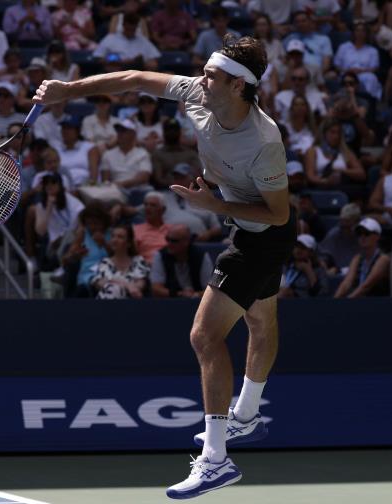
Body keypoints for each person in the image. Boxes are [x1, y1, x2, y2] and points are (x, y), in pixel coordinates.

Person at [34, 34, 293, 498]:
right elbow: (133, 79)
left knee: (204, 336)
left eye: (213, 75)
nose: (202, 78)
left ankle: (216, 461)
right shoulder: (199, 92)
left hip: (261, 237)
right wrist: (66, 91)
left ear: (239, 87)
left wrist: (213, 205)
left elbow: (279, 215)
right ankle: (247, 416)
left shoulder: (263, 141)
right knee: (260, 319)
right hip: (240, 222)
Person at [33, 173, 85, 269]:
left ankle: (62, 267)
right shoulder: (41, 206)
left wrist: (63, 237)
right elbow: (40, 231)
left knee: (70, 237)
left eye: (53, 182)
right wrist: (49, 207)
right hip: (52, 245)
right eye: (46, 183)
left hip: (72, 241)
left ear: (60, 185)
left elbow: (79, 225)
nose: (50, 186)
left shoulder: (73, 202)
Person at [60, 203, 112, 297]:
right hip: (87, 277)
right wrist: (75, 255)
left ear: (104, 221)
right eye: (89, 224)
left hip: (108, 275)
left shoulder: (112, 234)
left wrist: (104, 243)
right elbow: (65, 260)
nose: (92, 227)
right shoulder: (82, 234)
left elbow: (118, 257)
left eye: (96, 223)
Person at [150, 224, 214, 298]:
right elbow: (156, 289)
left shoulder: (201, 256)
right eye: (167, 239)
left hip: (198, 303)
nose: (169, 244)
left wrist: (195, 295)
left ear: (186, 241)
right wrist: (180, 294)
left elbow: (211, 290)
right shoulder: (160, 255)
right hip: (170, 303)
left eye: (174, 241)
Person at [162, 164, 222, 241]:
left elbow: (217, 228)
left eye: (182, 178)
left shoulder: (203, 197)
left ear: (191, 180)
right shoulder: (164, 198)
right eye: (176, 178)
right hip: (168, 240)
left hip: (197, 241)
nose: (178, 181)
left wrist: (207, 234)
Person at [333, 217, 389, 298]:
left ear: (377, 236)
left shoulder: (383, 259)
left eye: (367, 233)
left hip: (378, 305)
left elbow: (366, 286)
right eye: (359, 234)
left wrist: (347, 302)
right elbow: (346, 284)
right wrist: (334, 302)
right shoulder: (357, 258)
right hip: (359, 303)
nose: (362, 237)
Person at [90, 223, 150, 299]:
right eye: (113, 236)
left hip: (131, 304)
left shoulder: (138, 260)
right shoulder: (105, 262)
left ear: (128, 243)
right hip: (106, 302)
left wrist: (115, 282)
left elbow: (140, 285)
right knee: (112, 288)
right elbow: (101, 283)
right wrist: (128, 285)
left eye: (120, 237)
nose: (114, 240)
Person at [303, 119, 366, 189]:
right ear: (324, 133)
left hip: (342, 187)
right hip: (321, 187)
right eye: (332, 132)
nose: (336, 136)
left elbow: (361, 174)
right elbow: (310, 176)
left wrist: (342, 171)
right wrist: (325, 181)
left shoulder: (345, 152)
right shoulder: (313, 151)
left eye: (338, 133)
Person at [92, 12, 160, 72]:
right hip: (116, 73)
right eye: (128, 29)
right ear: (123, 25)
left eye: (132, 29)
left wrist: (143, 63)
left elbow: (154, 61)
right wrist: (114, 61)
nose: (130, 32)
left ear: (136, 27)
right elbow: (98, 58)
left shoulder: (143, 41)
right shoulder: (110, 38)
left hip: (137, 74)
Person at [332, 20, 382, 100]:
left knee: (371, 78)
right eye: (357, 30)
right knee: (347, 79)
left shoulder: (372, 50)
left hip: (364, 74)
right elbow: (336, 65)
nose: (360, 33)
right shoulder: (343, 47)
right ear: (353, 32)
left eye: (363, 31)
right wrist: (348, 70)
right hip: (346, 73)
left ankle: (368, 101)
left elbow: (374, 68)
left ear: (366, 33)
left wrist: (361, 70)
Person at [100, 119, 153, 193]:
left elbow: (143, 178)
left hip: (138, 191)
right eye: (118, 131)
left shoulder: (143, 154)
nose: (120, 134)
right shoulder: (108, 154)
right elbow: (105, 180)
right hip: (116, 192)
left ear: (133, 134)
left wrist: (120, 184)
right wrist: (115, 187)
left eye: (124, 131)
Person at [150, 118, 201, 190]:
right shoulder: (158, 154)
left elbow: (197, 176)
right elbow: (158, 179)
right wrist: (176, 184)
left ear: (180, 132)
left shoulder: (191, 154)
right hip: (166, 191)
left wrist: (185, 183)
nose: (172, 133)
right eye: (169, 130)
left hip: (190, 190)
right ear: (164, 133)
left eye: (174, 130)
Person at [279, 234, 329, 298]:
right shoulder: (285, 266)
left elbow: (322, 295)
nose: (298, 250)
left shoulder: (319, 270)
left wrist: (308, 271)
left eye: (303, 248)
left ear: (311, 252)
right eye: (296, 246)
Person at [320, 202, 361, 272]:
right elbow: (324, 257)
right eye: (342, 226)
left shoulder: (364, 236)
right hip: (338, 273)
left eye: (348, 227)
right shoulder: (334, 234)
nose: (344, 230)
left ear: (357, 222)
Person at [132, 191, 170, 264]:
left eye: (153, 205)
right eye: (146, 205)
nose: (148, 208)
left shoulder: (172, 230)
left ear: (163, 210)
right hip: (145, 269)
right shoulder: (135, 230)